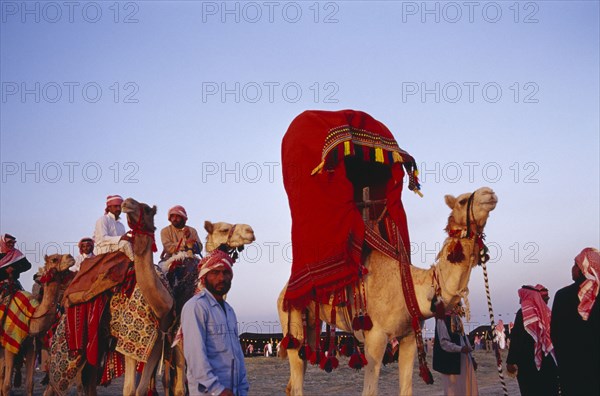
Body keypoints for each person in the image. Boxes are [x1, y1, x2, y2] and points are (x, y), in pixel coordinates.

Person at [181, 250, 249, 396]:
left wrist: (243, 388)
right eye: (215, 273)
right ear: (204, 277)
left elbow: (237, 354)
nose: (221, 278)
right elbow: (195, 357)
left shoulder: (230, 311)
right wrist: (217, 390)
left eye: (226, 273)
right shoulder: (196, 307)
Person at [551, 247, 600, 396]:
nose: (572, 269)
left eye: (575, 265)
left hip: (572, 367)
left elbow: (555, 334)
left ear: (583, 269)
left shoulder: (563, 295)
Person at [506, 284, 559, 395]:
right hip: (548, 362)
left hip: (528, 364)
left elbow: (517, 338)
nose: (520, 301)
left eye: (521, 298)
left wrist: (511, 361)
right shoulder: (547, 312)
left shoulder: (523, 313)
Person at [432, 301, 478, 396]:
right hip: (451, 363)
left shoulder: (456, 318)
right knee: (454, 391)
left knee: (468, 389)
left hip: (464, 360)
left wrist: (471, 358)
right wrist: (460, 349)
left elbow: (463, 337)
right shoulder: (442, 319)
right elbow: (444, 343)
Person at [92, 195, 133, 260]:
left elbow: (122, 240)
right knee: (125, 244)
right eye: (116, 206)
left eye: (120, 207)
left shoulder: (121, 225)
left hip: (116, 247)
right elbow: (103, 239)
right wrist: (121, 237)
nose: (118, 209)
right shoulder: (103, 220)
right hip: (102, 248)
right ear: (109, 207)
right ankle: (135, 263)